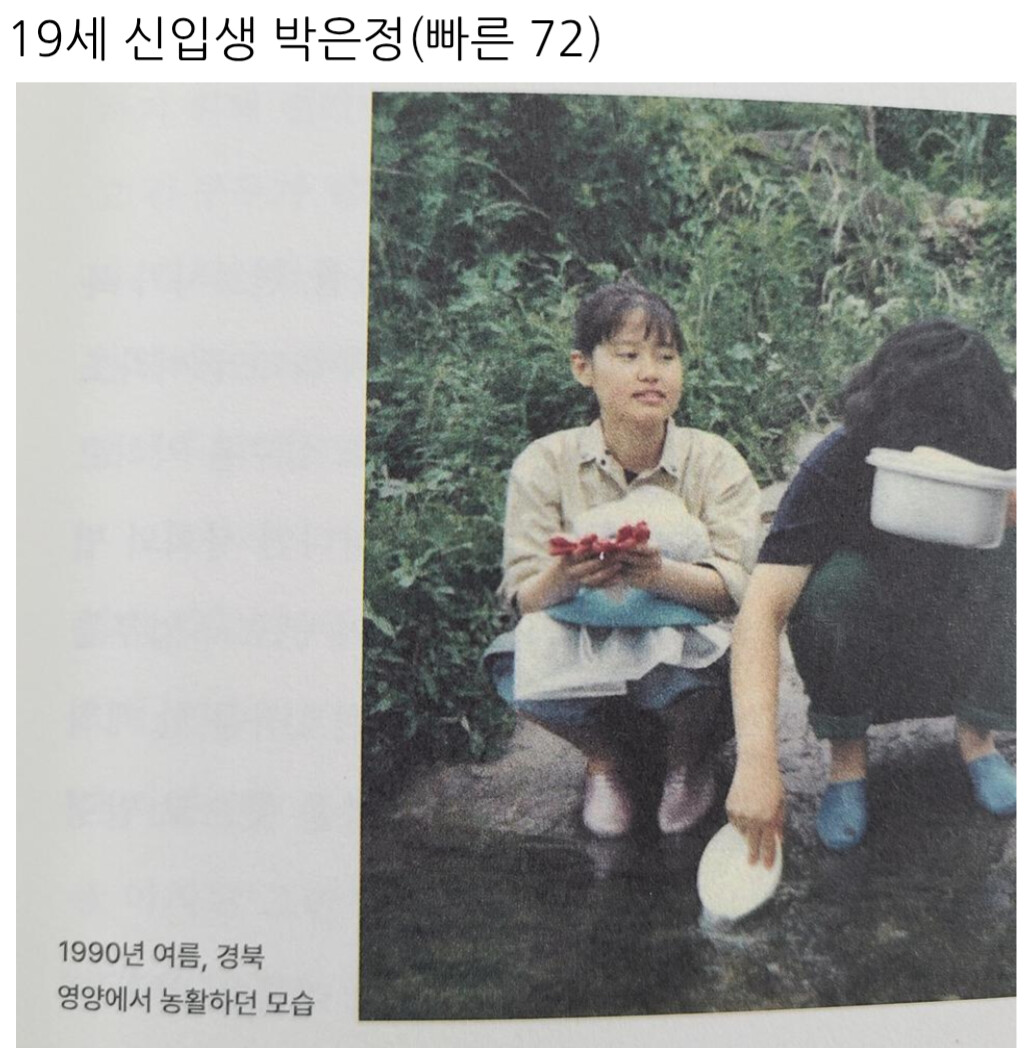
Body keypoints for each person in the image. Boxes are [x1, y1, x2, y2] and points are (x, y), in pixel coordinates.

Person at [726, 319, 1016, 866]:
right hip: (870, 651)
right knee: (835, 586)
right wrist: (757, 763)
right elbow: (761, 610)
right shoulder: (840, 463)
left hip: (960, 637)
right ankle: (847, 762)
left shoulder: (1002, 442)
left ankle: (977, 737)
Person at [485, 281, 761, 837]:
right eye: (629, 355)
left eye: (666, 357)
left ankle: (688, 760)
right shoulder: (544, 462)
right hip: (583, 635)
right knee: (510, 662)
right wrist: (565, 575)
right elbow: (523, 596)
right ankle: (605, 760)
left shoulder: (716, 460)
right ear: (583, 368)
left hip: (684, 645)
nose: (651, 373)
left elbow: (738, 588)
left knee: (718, 665)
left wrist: (657, 574)